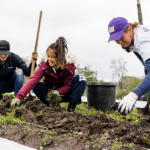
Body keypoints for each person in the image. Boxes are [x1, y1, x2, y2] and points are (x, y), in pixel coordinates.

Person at [11, 37, 87, 112]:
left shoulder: (69, 66)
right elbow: (33, 80)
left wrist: (58, 92)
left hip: (66, 93)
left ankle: (72, 106)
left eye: (53, 57)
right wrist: (19, 96)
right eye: (48, 56)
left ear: (60, 56)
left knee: (81, 78)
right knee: (36, 86)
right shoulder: (44, 66)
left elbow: (67, 86)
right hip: (50, 93)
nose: (49, 59)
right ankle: (54, 106)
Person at [108, 17, 150, 115]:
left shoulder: (142, 42)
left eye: (121, 37)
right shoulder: (134, 39)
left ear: (130, 29)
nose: (120, 42)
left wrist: (133, 95)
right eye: (116, 40)